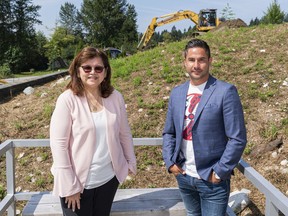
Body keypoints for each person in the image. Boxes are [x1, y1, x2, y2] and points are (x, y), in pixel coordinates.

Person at [162, 39, 247, 216]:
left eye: (201, 59)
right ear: (184, 61)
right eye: (191, 60)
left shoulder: (225, 91)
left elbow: (237, 138)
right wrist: (170, 162)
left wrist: (219, 171)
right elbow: (169, 132)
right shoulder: (177, 93)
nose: (196, 65)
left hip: (212, 179)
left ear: (210, 60)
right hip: (184, 176)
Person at [50, 47, 137, 216]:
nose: (92, 72)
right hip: (76, 183)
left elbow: (124, 133)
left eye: (98, 68)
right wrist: (70, 186)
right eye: (87, 68)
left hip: (108, 180)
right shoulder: (67, 100)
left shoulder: (115, 97)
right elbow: (58, 145)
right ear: (77, 70)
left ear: (105, 72)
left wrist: (130, 161)